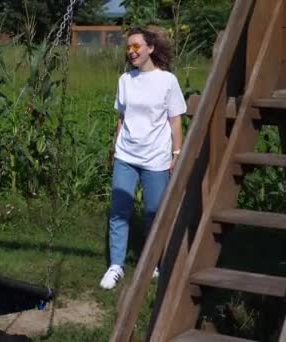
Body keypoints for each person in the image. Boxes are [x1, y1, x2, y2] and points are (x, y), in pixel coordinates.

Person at [99, 27, 186, 290]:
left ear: (150, 48)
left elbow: (175, 120)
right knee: (119, 212)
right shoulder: (125, 80)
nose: (132, 51)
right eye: (128, 47)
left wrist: (177, 153)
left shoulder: (168, 81)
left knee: (154, 213)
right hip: (126, 155)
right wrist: (114, 150)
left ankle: (152, 264)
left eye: (136, 46)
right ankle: (116, 266)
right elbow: (122, 118)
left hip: (156, 158)